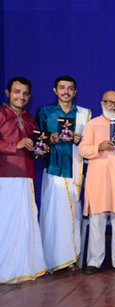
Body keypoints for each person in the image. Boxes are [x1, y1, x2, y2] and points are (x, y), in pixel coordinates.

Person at [36, 76, 91, 273]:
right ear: (55, 90)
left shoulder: (85, 114)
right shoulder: (44, 111)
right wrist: (48, 141)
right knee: (52, 215)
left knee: (72, 214)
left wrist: (80, 141)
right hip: (53, 169)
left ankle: (71, 260)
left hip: (75, 168)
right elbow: (37, 145)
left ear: (75, 92)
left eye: (70, 89)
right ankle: (51, 260)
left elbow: (90, 145)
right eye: (62, 88)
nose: (66, 91)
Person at [78, 90, 115, 274]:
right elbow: (83, 150)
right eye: (109, 102)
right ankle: (94, 261)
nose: (113, 105)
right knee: (97, 221)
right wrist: (99, 147)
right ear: (102, 103)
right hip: (98, 182)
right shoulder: (92, 124)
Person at [0, 77, 47, 283]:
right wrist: (15, 145)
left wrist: (40, 150)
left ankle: (23, 268)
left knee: (25, 224)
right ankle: (5, 269)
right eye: (17, 92)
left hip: (26, 176)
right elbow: (15, 144)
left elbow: (33, 147)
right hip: (5, 176)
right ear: (7, 92)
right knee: (6, 223)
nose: (21, 96)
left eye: (25, 93)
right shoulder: (1, 114)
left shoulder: (30, 119)